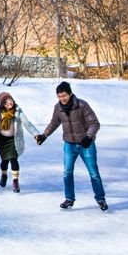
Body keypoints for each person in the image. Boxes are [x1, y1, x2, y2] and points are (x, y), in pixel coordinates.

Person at [36, 81, 107, 211]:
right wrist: (44, 135)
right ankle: (69, 199)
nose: (62, 98)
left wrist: (89, 136)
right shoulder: (58, 108)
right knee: (67, 173)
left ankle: (100, 199)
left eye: (64, 95)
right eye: (59, 96)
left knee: (94, 174)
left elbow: (94, 123)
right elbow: (53, 123)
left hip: (86, 144)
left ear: (70, 93)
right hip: (69, 144)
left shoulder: (82, 105)